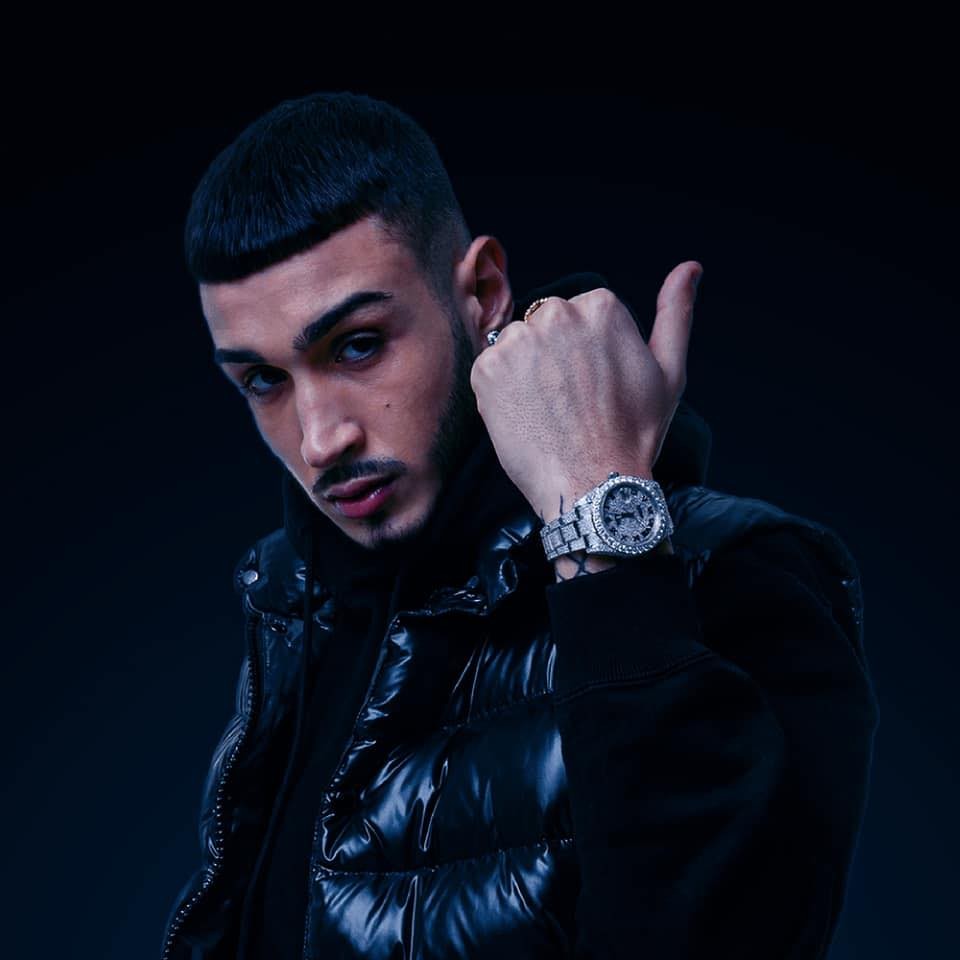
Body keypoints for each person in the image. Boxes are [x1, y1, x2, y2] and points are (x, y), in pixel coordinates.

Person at [159, 90, 879, 960]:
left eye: (357, 344)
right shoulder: (294, 601)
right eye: (263, 381)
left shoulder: (736, 571)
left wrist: (599, 522)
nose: (319, 440)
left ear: (483, 292)